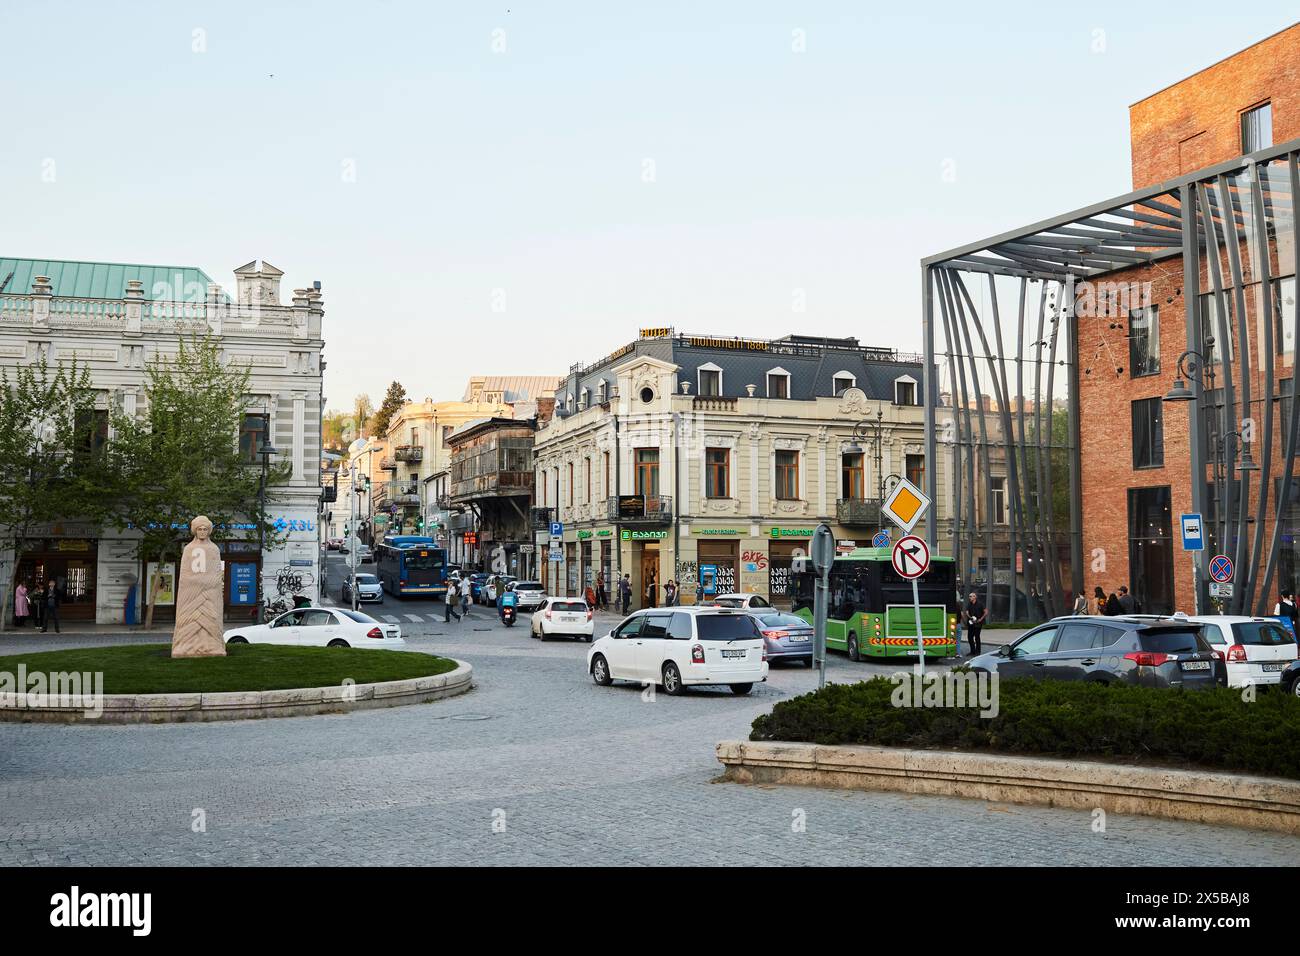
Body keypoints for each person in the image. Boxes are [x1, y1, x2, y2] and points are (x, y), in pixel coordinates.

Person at [964, 591, 987, 656]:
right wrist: (969, 617)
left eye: (971, 596)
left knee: (977, 637)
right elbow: (967, 612)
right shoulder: (969, 604)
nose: (970, 597)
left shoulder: (980, 604)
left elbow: (986, 612)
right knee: (970, 637)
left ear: (975, 597)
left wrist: (981, 619)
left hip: (978, 623)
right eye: (969, 596)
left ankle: (978, 652)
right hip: (971, 623)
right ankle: (972, 651)